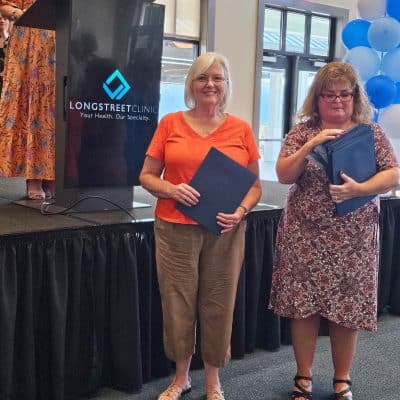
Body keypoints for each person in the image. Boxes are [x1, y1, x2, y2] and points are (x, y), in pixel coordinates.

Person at [269, 61, 399, 400]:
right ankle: (303, 377)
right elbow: (283, 174)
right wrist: (309, 147)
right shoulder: (302, 131)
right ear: (317, 98)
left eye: (344, 94)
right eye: (328, 95)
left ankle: (342, 379)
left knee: (347, 308)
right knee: (304, 307)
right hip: (305, 234)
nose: (337, 100)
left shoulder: (370, 132)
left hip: (354, 238)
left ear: (355, 96)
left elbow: (393, 174)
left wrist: (359, 189)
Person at [139, 52, 261, 400]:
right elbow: (146, 176)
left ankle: (212, 380)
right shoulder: (170, 124)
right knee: (177, 304)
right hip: (175, 228)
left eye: (217, 78)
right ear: (191, 84)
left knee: (218, 302)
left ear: (226, 84)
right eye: (202, 78)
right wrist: (171, 189)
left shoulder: (241, 129)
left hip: (224, 230)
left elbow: (254, 186)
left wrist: (241, 211)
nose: (210, 84)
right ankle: (180, 378)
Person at [0, 1, 55, 199]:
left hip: (59, 40)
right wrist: (19, 14)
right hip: (28, 40)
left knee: (54, 108)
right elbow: (4, 5)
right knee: (33, 108)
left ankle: (51, 175)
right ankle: (34, 175)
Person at [0, 12, 11, 95]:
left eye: (5, 19)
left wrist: (4, 33)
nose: (2, 21)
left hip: (8, 77)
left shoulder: (13, 38)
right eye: (0, 19)